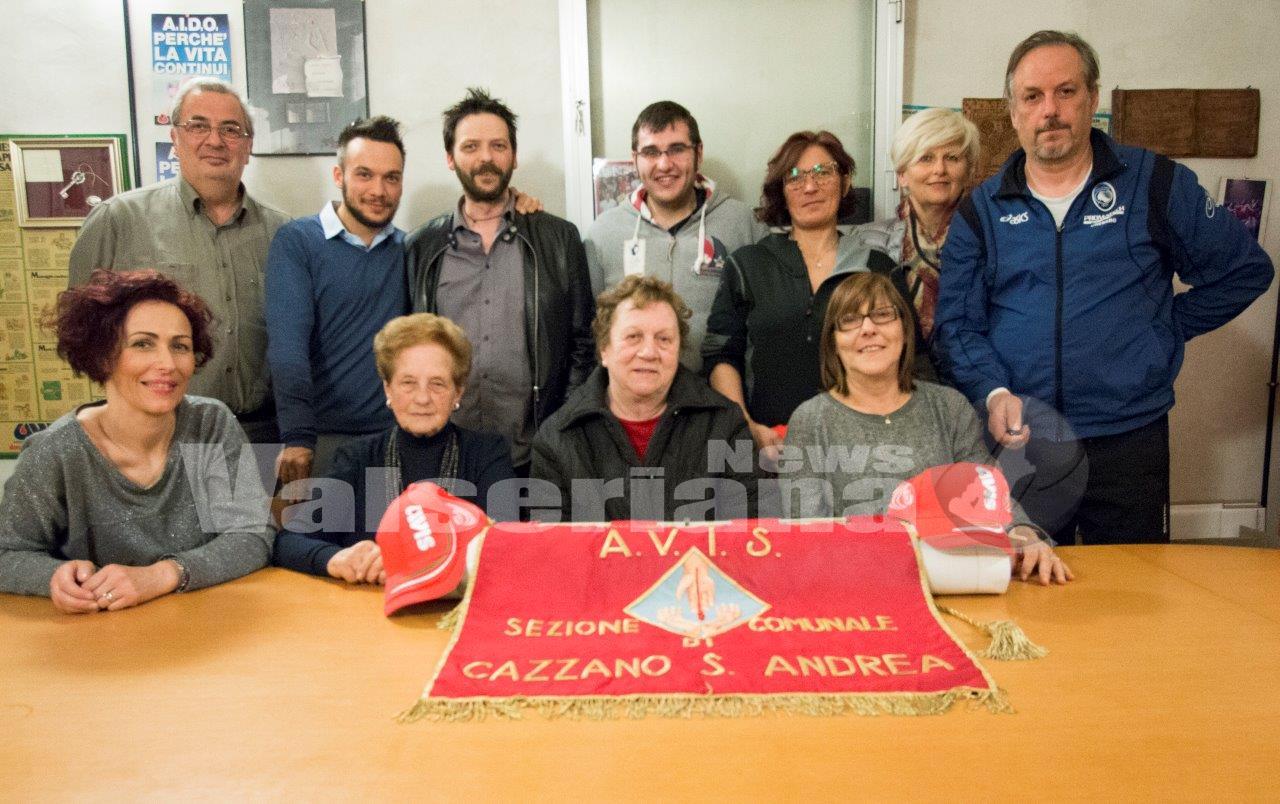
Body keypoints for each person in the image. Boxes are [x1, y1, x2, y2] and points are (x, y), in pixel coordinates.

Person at [934, 30, 1274, 544]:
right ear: (1013, 112)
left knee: (1132, 583)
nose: (1050, 110)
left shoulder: (1156, 183)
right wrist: (994, 391)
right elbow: (958, 325)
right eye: (1032, 96)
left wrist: (1162, 328)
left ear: (1092, 98)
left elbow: (1245, 270)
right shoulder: (980, 211)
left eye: (1066, 91)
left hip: (1128, 437)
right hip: (1023, 441)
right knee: (1022, 577)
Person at [0, 270, 274, 611]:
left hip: (207, 624)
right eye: (143, 344)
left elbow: (252, 534)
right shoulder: (54, 451)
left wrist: (164, 575)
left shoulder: (210, 424)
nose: (167, 364)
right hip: (100, 635)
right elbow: (7, 554)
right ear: (102, 355)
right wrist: (55, 577)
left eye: (180, 346)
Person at [782, 273, 1069, 584]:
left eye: (882, 314)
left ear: (905, 331)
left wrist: (1023, 532)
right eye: (850, 320)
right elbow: (806, 538)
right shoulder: (811, 420)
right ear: (833, 343)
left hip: (954, 581)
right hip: (856, 589)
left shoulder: (949, 407)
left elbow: (990, 494)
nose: (868, 329)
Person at [69, 78, 289, 445]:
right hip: (158, 436)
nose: (215, 140)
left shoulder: (284, 234)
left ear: (248, 145)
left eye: (230, 129)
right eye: (198, 126)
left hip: (262, 437)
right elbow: (82, 336)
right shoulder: (118, 220)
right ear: (175, 138)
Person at [406, 87, 595, 475]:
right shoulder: (421, 247)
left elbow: (583, 344)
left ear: (514, 155)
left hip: (534, 456)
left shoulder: (558, 239)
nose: (486, 158)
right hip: (445, 455)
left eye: (498, 145)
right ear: (450, 158)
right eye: (470, 146)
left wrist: (560, 429)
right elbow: (407, 347)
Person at [273, 314, 514, 583]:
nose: (422, 398)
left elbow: (507, 547)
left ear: (457, 392)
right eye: (408, 383)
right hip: (367, 605)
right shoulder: (357, 457)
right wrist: (338, 559)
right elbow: (289, 541)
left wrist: (408, 559)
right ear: (388, 389)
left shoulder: (487, 453)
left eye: (437, 384)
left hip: (452, 604)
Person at [702, 130, 895, 462]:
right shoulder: (748, 265)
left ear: (845, 182)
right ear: (781, 191)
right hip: (769, 448)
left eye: (823, 172)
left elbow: (906, 361)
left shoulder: (877, 268)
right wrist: (747, 427)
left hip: (862, 450)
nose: (809, 187)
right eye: (794, 177)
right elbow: (721, 355)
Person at [531, 276, 758, 522]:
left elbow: (751, 531)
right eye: (633, 337)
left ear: (678, 350)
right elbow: (551, 542)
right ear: (604, 349)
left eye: (664, 339)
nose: (649, 352)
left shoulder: (725, 426)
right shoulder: (556, 438)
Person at [266, 116, 409, 487]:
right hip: (321, 442)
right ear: (339, 175)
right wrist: (298, 436)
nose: (378, 190)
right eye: (364, 175)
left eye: (391, 178)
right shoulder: (298, 242)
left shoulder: (409, 249)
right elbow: (287, 347)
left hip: (396, 440)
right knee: (318, 528)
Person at [584, 101, 766, 370]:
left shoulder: (744, 225)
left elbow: (764, 326)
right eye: (650, 152)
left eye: (677, 149)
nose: (664, 164)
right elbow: (590, 335)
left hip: (720, 392)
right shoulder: (602, 234)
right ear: (635, 159)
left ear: (698, 153)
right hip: (637, 392)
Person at [850, 108, 980, 380]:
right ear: (902, 174)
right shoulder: (865, 242)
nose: (939, 169)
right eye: (926, 158)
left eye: (952, 157)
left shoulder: (991, 239)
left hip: (978, 386)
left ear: (968, 170)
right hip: (893, 387)